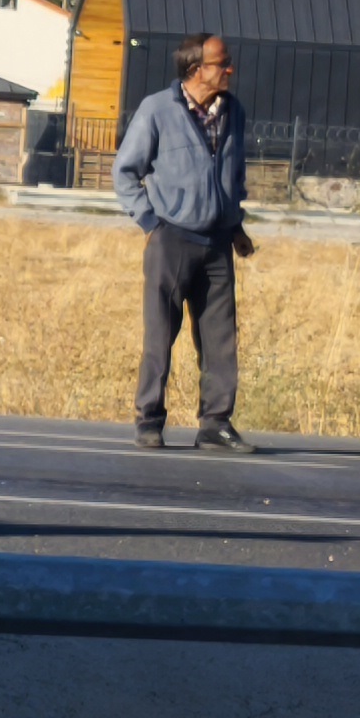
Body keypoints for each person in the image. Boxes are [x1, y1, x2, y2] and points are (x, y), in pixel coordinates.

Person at [114, 29, 253, 452]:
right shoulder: (158, 110)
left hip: (216, 244)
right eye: (221, 63)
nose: (229, 69)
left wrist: (236, 227)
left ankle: (215, 424)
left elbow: (234, 176)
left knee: (220, 339)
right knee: (161, 335)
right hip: (171, 239)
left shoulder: (234, 112)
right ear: (196, 69)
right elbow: (125, 172)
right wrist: (152, 223)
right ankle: (149, 420)